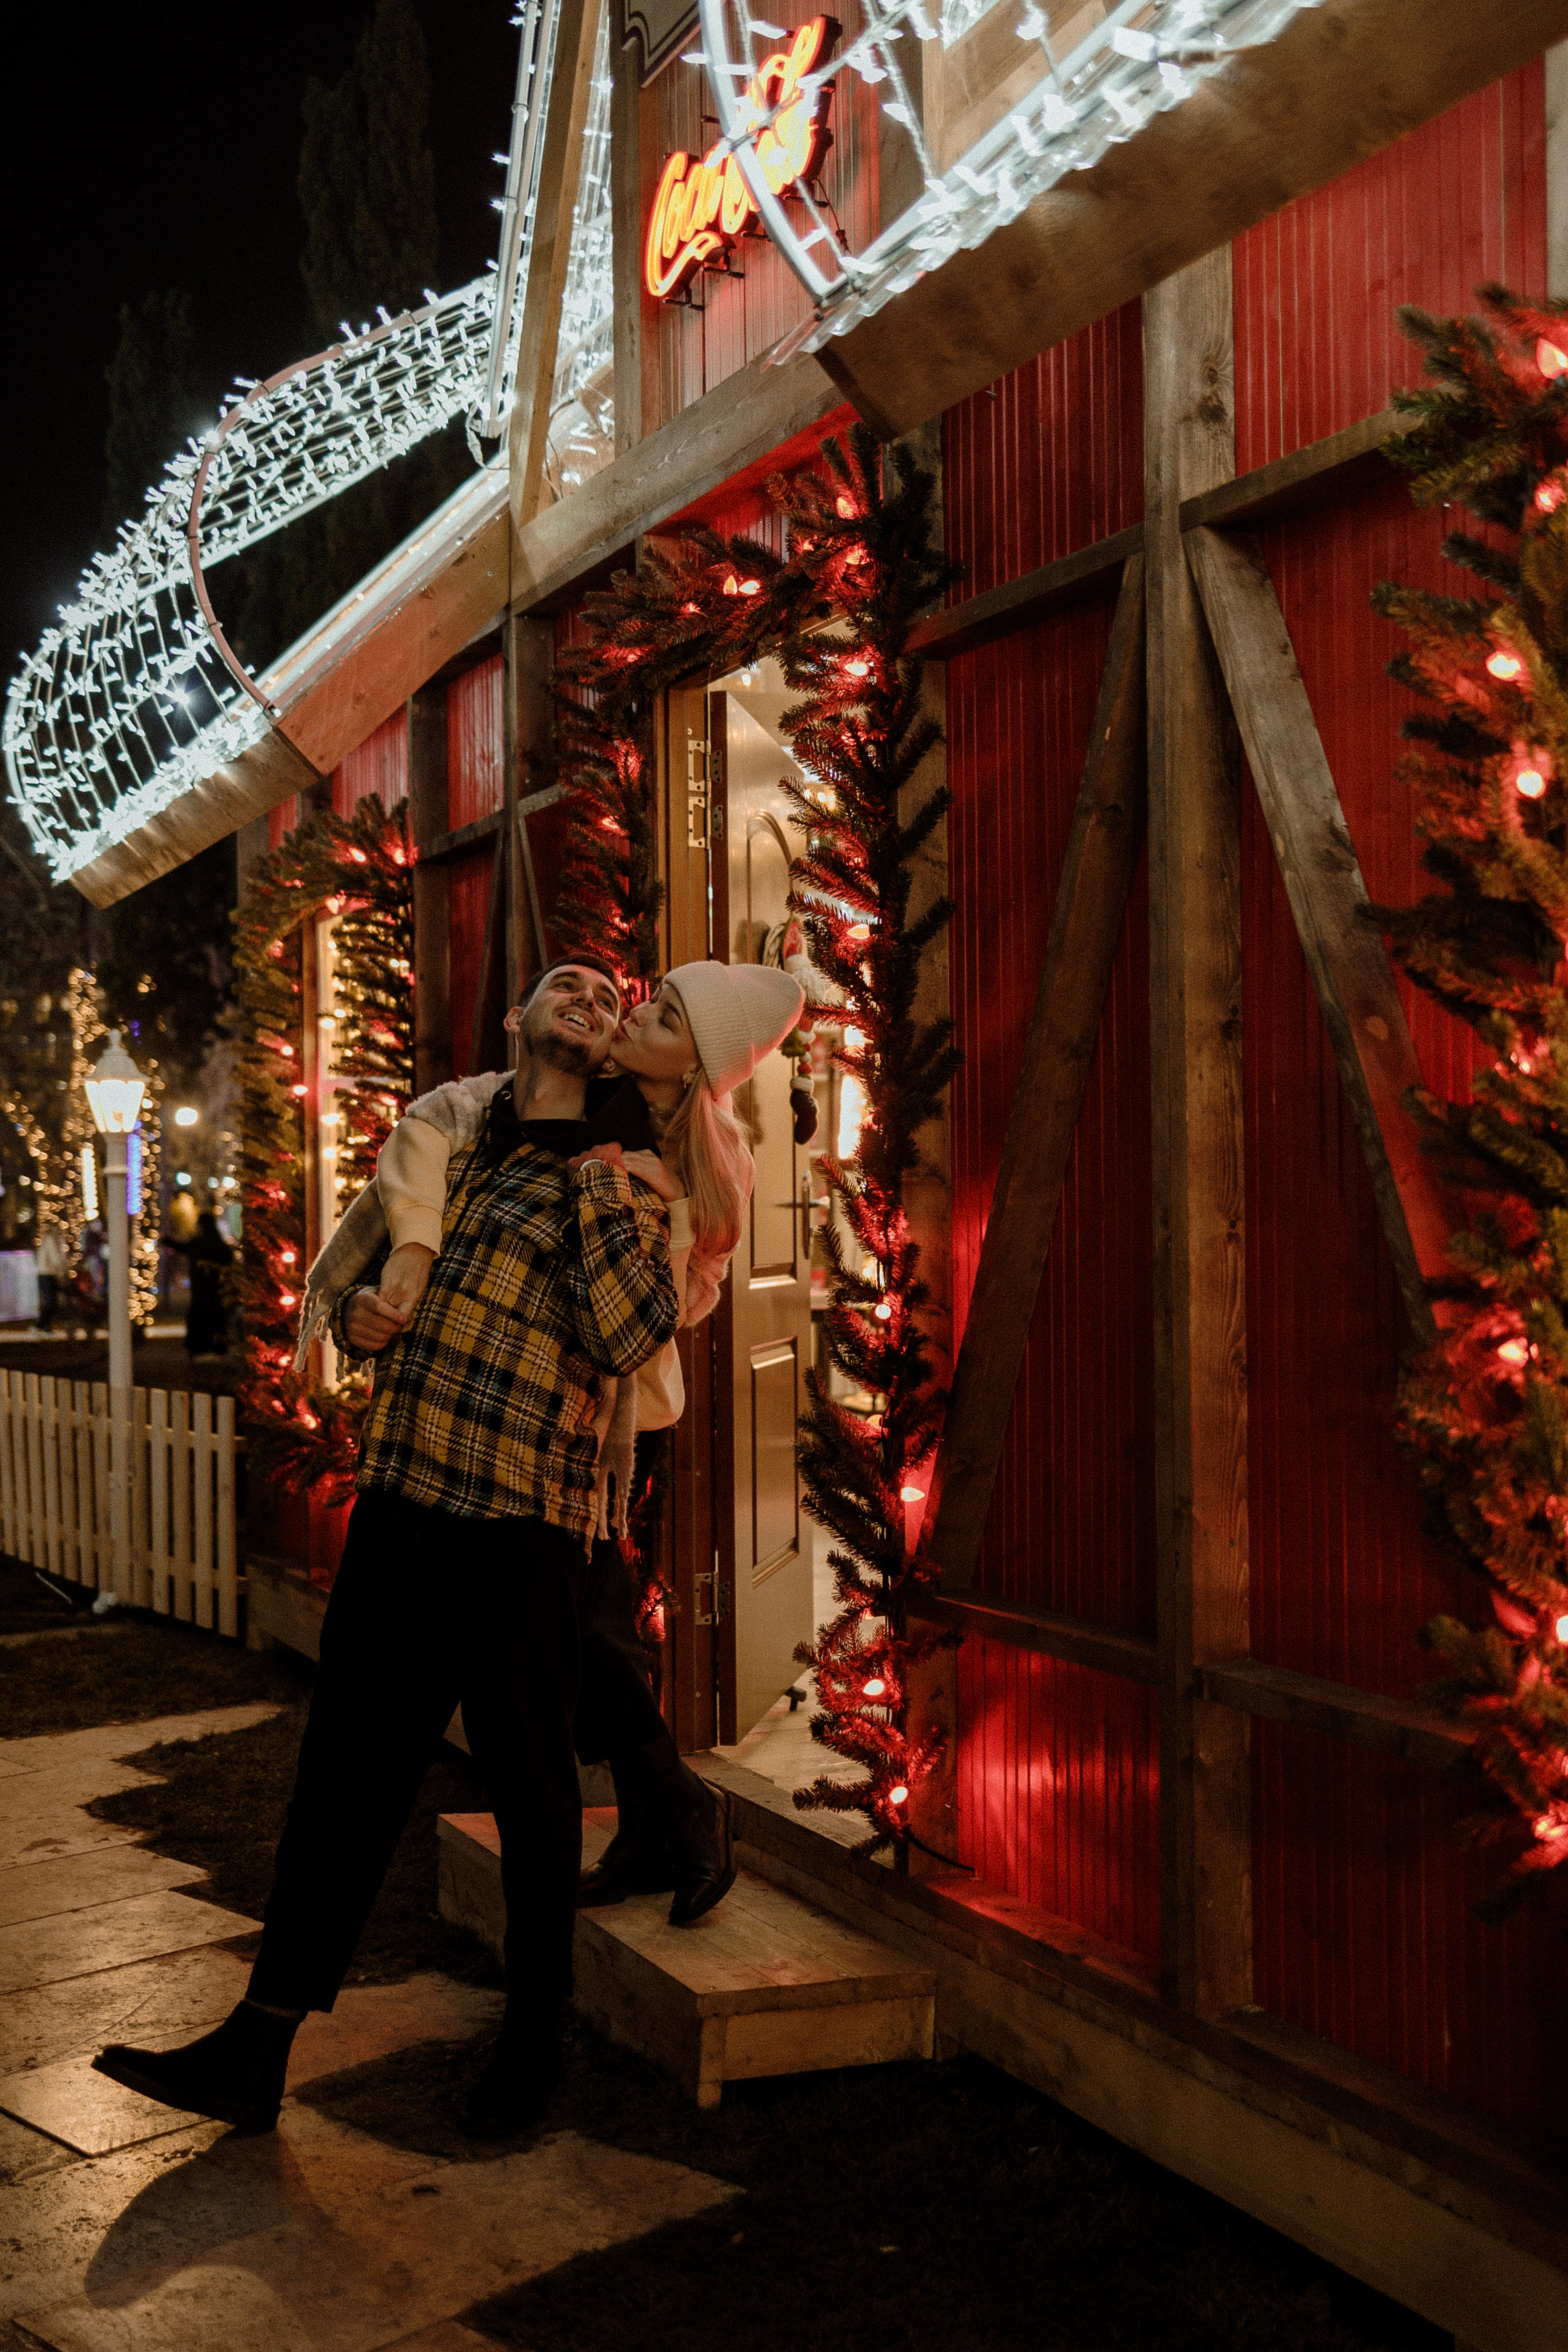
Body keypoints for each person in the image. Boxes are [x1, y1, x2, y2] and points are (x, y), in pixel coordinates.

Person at [93, 960, 686, 2143]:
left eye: (609, 999)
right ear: (516, 1021)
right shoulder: (460, 1149)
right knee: (343, 1786)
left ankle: (534, 2041)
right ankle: (256, 2047)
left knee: (528, 1792)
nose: (590, 997)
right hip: (406, 1505)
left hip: (523, 1529)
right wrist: (362, 1320)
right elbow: (388, 1297)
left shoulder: (631, 1171)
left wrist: (596, 1180)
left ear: (613, 1050)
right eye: (563, 985)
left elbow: (626, 1328)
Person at [371, 960, 805, 1910]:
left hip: (620, 1419)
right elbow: (460, 1119)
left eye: (666, 1013)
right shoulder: (591, 1094)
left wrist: (661, 1218)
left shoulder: (699, 1154)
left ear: (695, 1065)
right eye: (652, 998)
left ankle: (682, 1822)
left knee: (591, 1627)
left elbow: (679, 1303)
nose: (640, 1009)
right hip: (549, 1408)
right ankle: (668, 1824)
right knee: (589, 1628)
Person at [163, 1209, 233, 1357]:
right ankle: (216, 1346)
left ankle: (200, 1346)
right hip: (216, 1289)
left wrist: (166, 1241)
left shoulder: (198, 1243)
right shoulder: (219, 1245)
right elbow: (228, 1260)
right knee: (215, 1318)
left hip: (201, 1289)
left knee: (200, 1317)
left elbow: (182, 1248)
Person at [32, 1224, 66, 1333]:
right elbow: (55, 1257)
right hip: (48, 1274)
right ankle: (39, 1326)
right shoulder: (51, 1239)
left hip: (44, 1273)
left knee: (49, 1303)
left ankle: (46, 1328)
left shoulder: (45, 1240)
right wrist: (64, 1267)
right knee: (51, 1304)